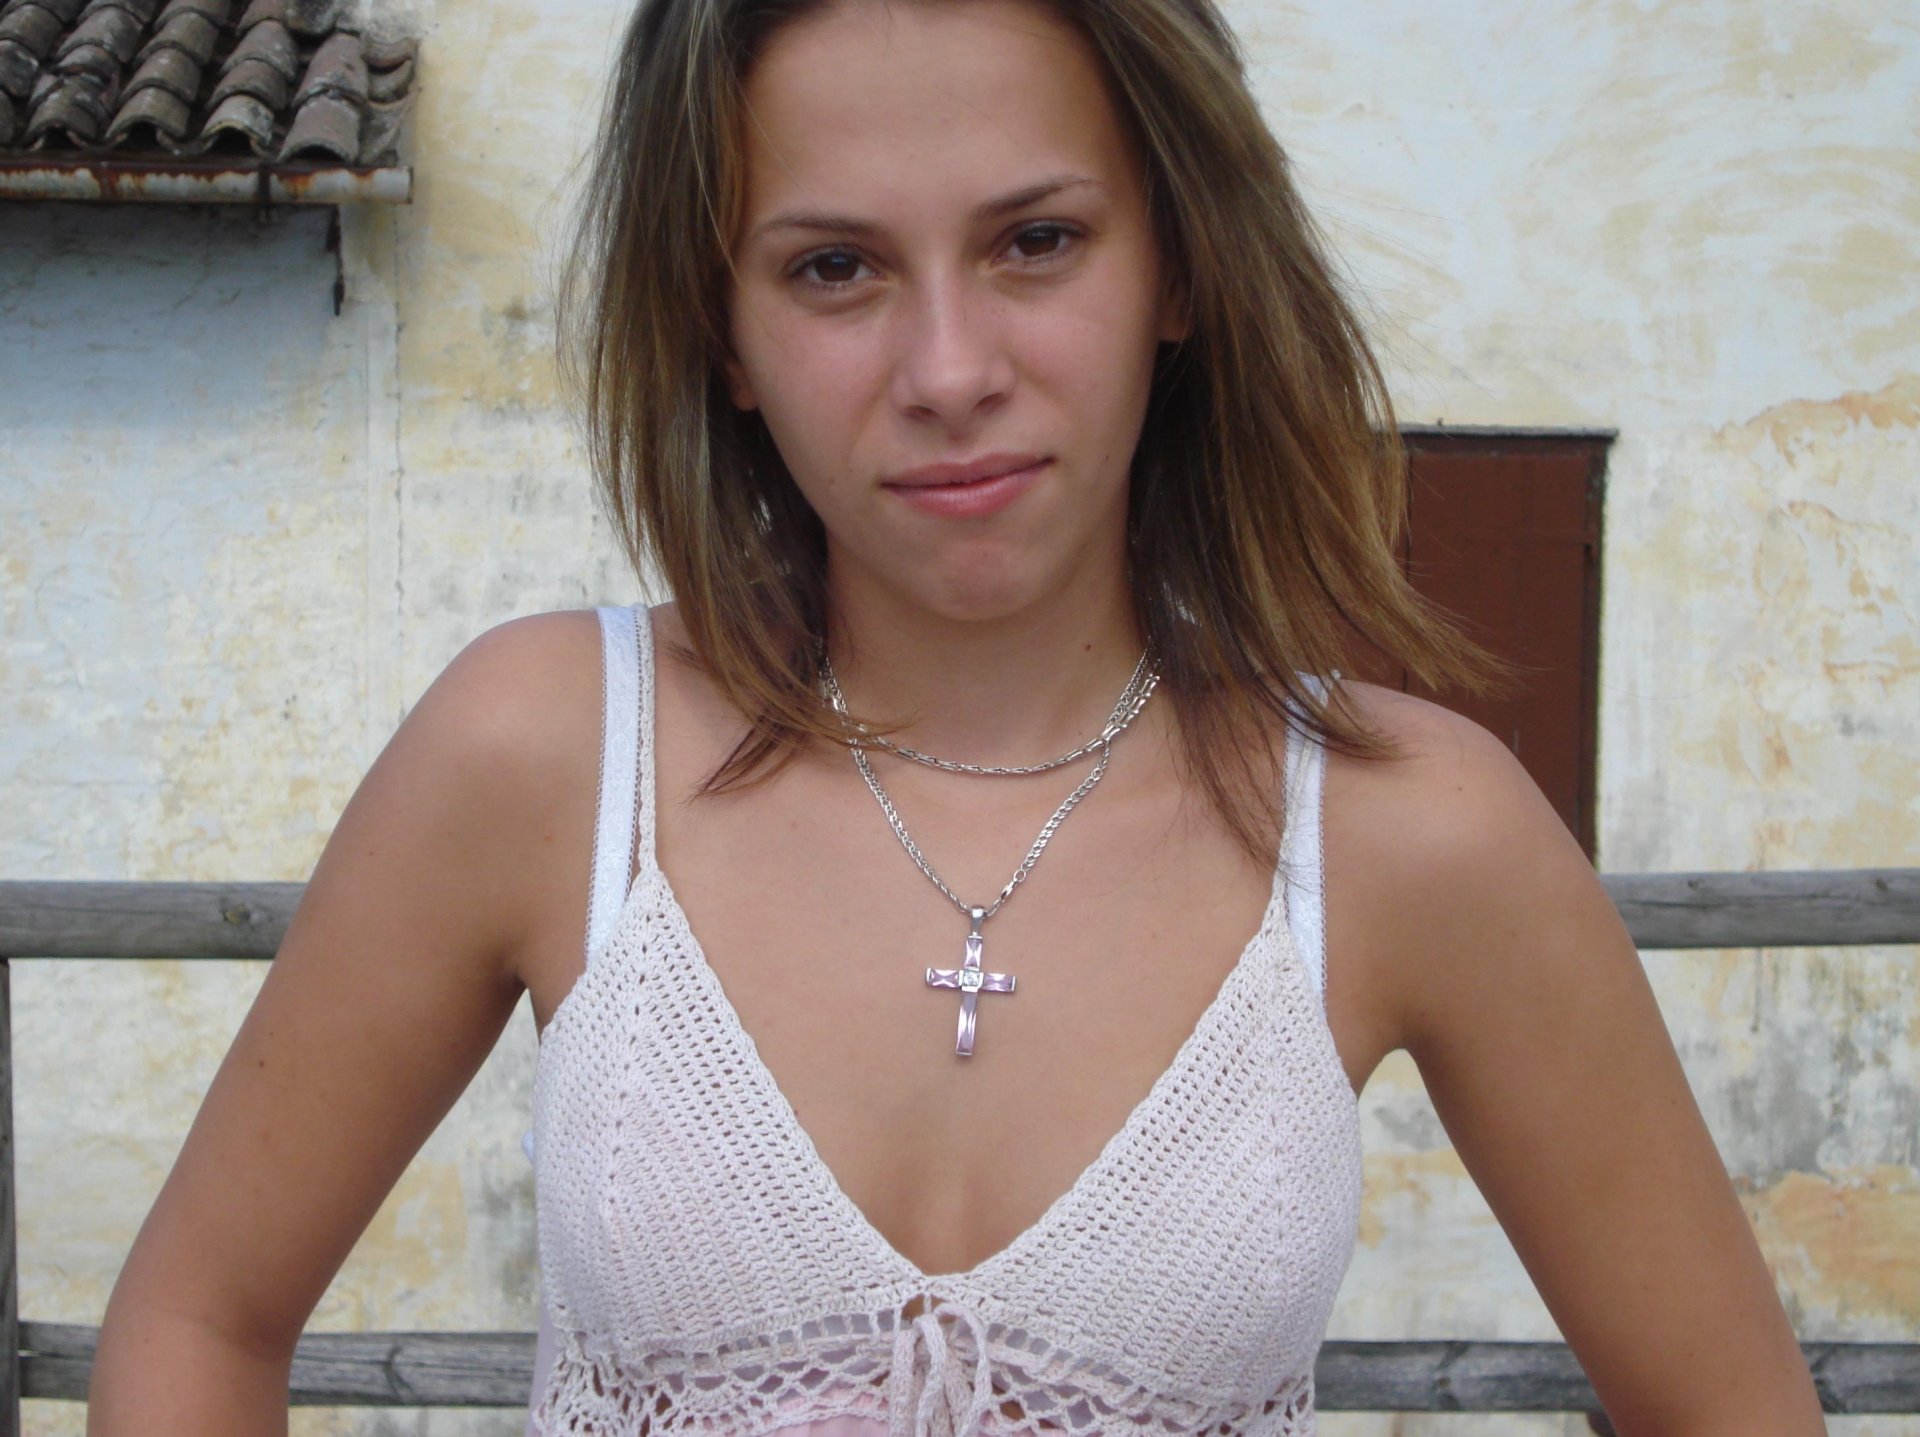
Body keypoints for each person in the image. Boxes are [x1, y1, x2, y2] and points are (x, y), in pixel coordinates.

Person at [88, 0, 1827, 1430]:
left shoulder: (1412, 828)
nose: (947, 370)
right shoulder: (542, 752)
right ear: (723, 331)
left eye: (1037, 242)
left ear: (1183, 268)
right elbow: (198, 1324)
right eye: (835, 268)